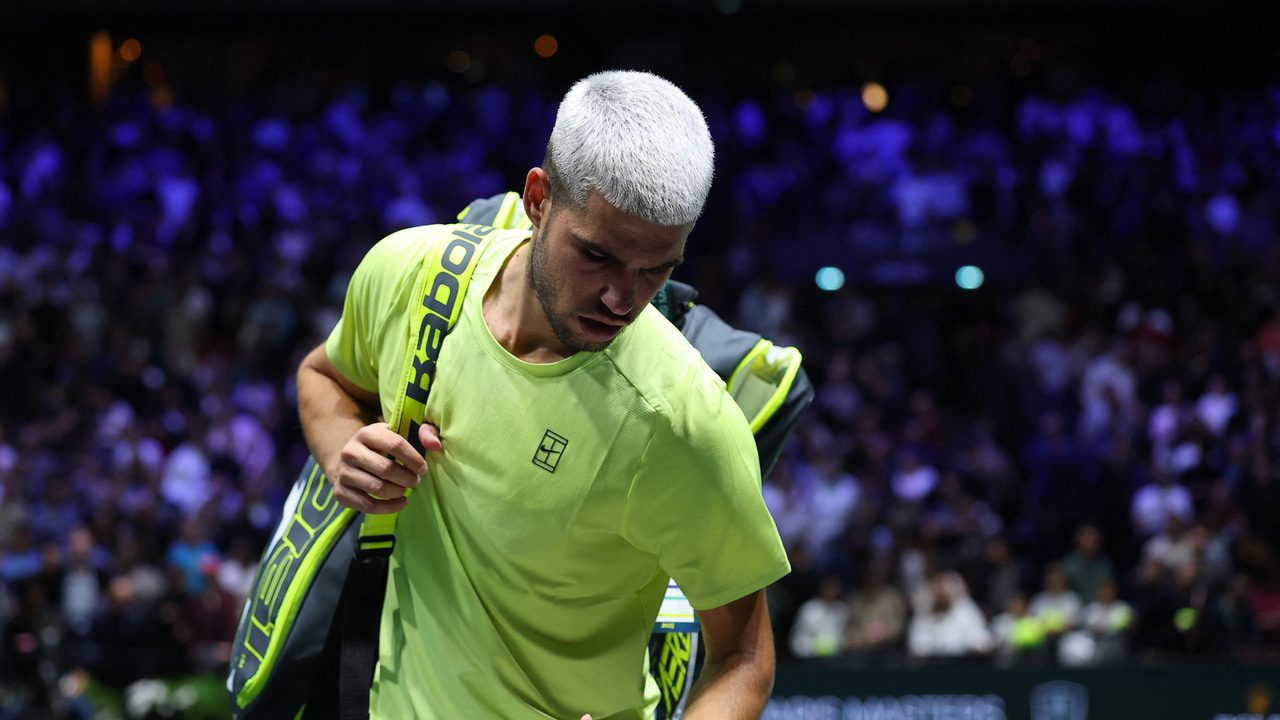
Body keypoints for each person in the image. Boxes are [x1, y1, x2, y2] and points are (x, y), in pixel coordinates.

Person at [297, 71, 791, 719]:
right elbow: (324, 377)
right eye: (597, 256)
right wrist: (343, 452)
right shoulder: (409, 275)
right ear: (538, 198)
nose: (622, 299)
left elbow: (745, 660)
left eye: (656, 271)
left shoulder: (683, 423)